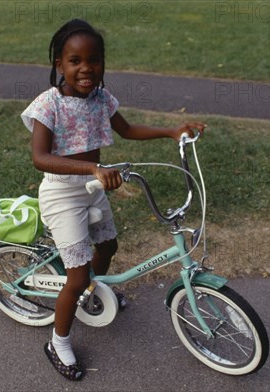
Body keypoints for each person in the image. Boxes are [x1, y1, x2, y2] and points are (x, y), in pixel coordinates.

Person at [21, 19, 206, 381]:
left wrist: (171, 131)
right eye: (75, 61)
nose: (85, 68)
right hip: (62, 191)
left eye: (94, 60)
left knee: (108, 246)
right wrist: (91, 168)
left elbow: (126, 129)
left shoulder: (101, 98)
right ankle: (58, 341)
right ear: (59, 64)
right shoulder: (49, 105)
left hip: (93, 184)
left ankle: (92, 291)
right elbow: (40, 158)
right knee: (75, 277)